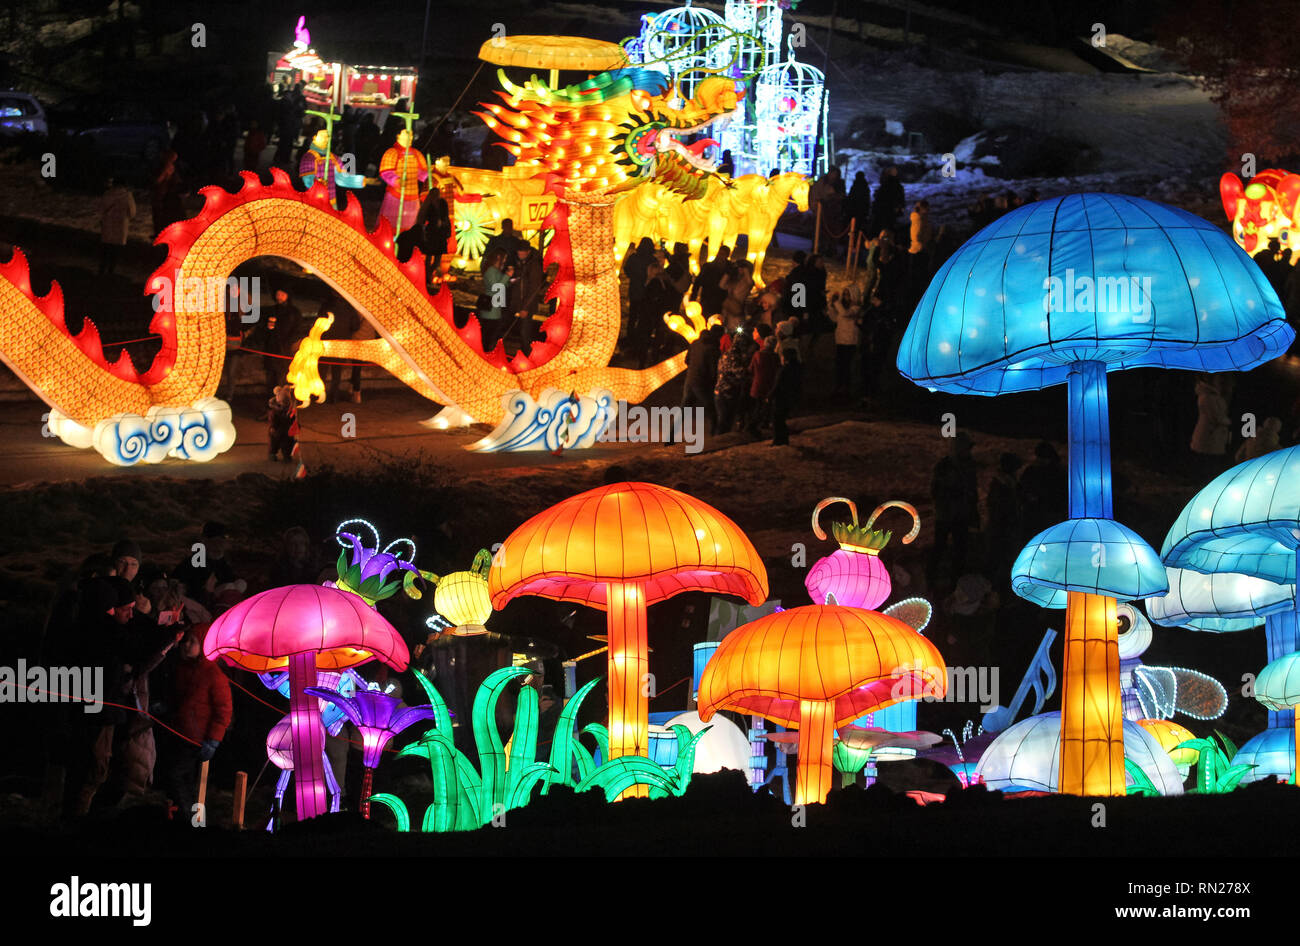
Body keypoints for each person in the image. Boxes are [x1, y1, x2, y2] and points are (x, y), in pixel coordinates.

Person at [158, 624, 232, 820]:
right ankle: (185, 818)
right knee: (183, 780)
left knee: (177, 776)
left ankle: (188, 818)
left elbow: (223, 710)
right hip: (178, 733)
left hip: (195, 738)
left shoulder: (213, 675)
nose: (186, 645)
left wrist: (213, 739)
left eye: (193, 642)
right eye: (186, 640)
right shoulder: (182, 668)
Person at [928, 432, 979, 586]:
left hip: (960, 515)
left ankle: (954, 582)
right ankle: (931, 579)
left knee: (960, 549)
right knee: (940, 547)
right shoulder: (944, 466)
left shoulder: (969, 465)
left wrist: (972, 510)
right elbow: (935, 491)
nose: (968, 451)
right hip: (946, 515)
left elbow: (972, 490)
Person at [378, 127, 429, 234]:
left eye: (411, 134)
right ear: (398, 135)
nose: (410, 137)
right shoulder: (392, 152)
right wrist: (397, 180)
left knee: (411, 223)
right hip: (396, 195)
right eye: (406, 133)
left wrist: (429, 176)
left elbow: (421, 172)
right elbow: (386, 172)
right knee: (392, 223)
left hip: (413, 195)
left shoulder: (416, 154)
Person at [984, 452, 1024, 587]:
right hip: (1002, 529)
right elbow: (999, 508)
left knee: (1000, 559)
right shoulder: (1003, 484)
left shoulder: (1008, 483)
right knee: (999, 559)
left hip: (1003, 528)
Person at [714, 325, 757, 435]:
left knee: (726, 421)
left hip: (724, 391)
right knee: (724, 422)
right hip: (726, 392)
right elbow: (739, 372)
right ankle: (718, 442)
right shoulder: (733, 356)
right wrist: (750, 374)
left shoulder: (729, 354)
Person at [1018, 441, 1066, 539]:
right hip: (1035, 513)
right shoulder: (1032, 471)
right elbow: (1022, 488)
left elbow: (1060, 494)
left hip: (1048, 513)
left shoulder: (1057, 472)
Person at [682, 324, 724, 435]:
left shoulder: (695, 343)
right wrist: (713, 382)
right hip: (702, 383)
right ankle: (714, 434)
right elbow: (713, 369)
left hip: (690, 380)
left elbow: (686, 361)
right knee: (711, 409)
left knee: (684, 409)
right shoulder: (713, 349)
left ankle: (670, 436)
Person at [1190, 373, 1231, 475]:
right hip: (1209, 436)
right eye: (1217, 379)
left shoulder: (1213, 395)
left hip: (1212, 436)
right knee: (1209, 464)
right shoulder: (1207, 397)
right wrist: (1229, 421)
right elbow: (1217, 417)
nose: (1220, 381)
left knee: (1210, 463)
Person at [508, 241, 546, 348]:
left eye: (522, 252)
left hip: (526, 305)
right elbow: (519, 283)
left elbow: (534, 288)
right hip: (519, 303)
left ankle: (527, 356)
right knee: (521, 332)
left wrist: (525, 307)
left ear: (528, 252)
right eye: (518, 252)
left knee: (525, 333)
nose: (519, 254)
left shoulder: (533, 265)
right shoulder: (521, 263)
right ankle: (524, 354)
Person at [745, 324, 779, 437]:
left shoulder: (758, 351)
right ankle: (763, 422)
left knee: (758, 407)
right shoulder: (772, 354)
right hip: (768, 383)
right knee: (763, 405)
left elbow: (751, 368)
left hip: (758, 383)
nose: (753, 332)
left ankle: (752, 426)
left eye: (755, 331)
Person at [98, 178, 135, 276]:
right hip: (121, 225)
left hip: (107, 224)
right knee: (115, 249)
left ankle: (102, 269)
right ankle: (111, 270)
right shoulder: (128, 196)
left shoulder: (107, 194)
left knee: (106, 248)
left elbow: (101, 209)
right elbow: (132, 212)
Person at [623, 237, 657, 344]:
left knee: (633, 315)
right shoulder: (652, 260)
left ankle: (630, 337)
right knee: (644, 316)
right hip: (647, 292)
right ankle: (640, 339)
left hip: (635, 290)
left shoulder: (634, 257)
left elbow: (627, 269)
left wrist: (634, 276)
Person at [830, 285, 863, 396]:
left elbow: (845, 314)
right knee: (839, 365)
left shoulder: (855, 309)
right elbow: (835, 318)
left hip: (850, 341)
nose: (845, 297)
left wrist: (836, 303)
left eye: (847, 294)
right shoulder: (843, 308)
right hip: (840, 340)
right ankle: (839, 387)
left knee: (846, 366)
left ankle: (846, 389)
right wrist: (831, 306)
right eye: (844, 294)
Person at [477, 247, 511, 352]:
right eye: (504, 258)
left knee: (492, 334)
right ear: (498, 258)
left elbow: (502, 284)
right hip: (491, 308)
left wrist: (508, 278)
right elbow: (495, 288)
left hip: (495, 307)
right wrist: (507, 276)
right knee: (488, 335)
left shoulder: (496, 271)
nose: (505, 261)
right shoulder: (491, 271)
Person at [769, 343, 802, 446]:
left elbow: (778, 384)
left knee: (777, 420)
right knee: (782, 419)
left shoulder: (784, 370)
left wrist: (770, 396)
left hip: (781, 398)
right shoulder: (797, 368)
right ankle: (783, 439)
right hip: (790, 397)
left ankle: (778, 440)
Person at [150, 150, 184, 238]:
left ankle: (163, 232)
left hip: (167, 195)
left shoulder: (171, 167)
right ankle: (159, 232)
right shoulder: (163, 167)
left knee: (163, 214)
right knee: (158, 213)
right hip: (161, 193)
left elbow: (176, 181)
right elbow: (157, 180)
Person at [693, 247, 731, 318]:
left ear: (727, 256)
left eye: (723, 254)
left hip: (721, 300)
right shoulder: (707, 267)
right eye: (720, 254)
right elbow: (698, 282)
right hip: (708, 299)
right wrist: (693, 297)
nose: (720, 256)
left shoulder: (730, 269)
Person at [267, 384, 299, 462]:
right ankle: (272, 454)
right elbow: (273, 420)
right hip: (277, 431)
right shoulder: (275, 411)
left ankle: (287, 455)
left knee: (287, 444)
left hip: (287, 430)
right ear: (279, 401)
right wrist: (273, 427)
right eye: (283, 402)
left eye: (287, 402)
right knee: (274, 443)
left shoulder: (290, 410)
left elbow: (293, 419)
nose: (285, 405)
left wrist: (296, 425)